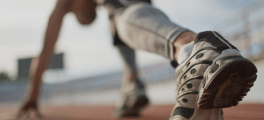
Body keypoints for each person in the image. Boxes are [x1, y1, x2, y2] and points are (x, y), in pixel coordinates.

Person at [17, 0, 258, 120]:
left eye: (81, 13)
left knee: (120, 17)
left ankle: (194, 50)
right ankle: (134, 83)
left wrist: (32, 94)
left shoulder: (64, 4)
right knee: (117, 21)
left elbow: (45, 52)